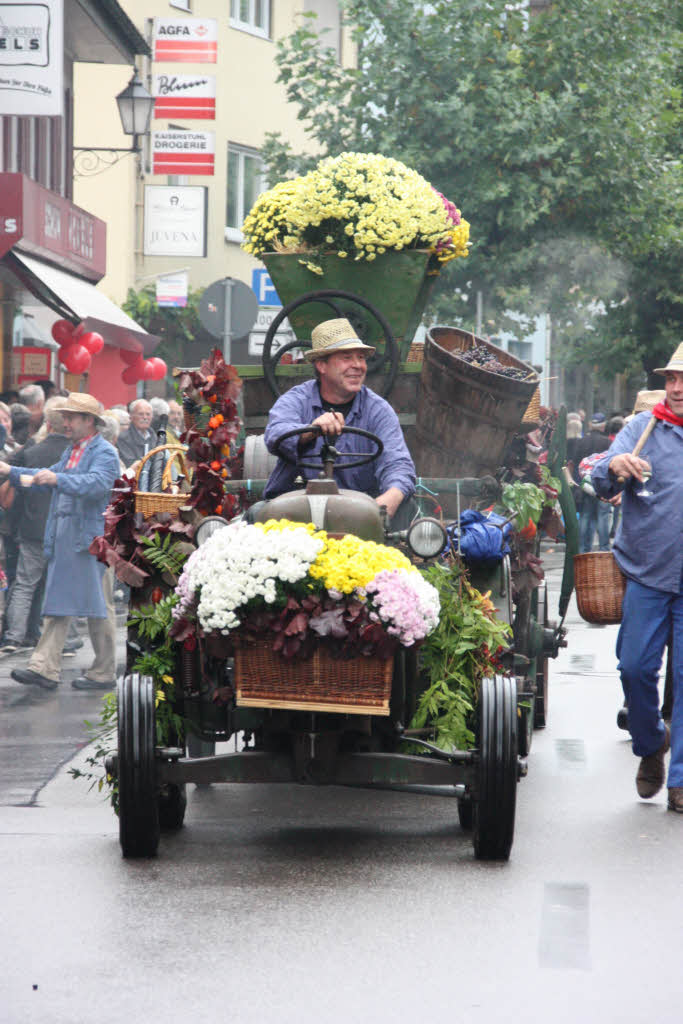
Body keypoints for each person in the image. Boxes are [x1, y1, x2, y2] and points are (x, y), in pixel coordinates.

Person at [592, 344, 683, 812]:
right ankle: (651, 746)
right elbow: (601, 481)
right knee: (635, 669)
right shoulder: (641, 429)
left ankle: (680, 782)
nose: (677, 387)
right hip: (647, 575)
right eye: (671, 379)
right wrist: (612, 466)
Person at [0, 393, 120, 692]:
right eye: (65, 417)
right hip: (69, 536)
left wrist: (57, 481)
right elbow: (47, 477)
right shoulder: (74, 451)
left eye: (71, 417)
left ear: (88, 421)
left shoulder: (103, 451)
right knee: (58, 603)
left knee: (99, 607)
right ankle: (44, 667)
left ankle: (102, 671)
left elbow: (98, 484)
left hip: (91, 539)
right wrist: (10, 471)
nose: (64, 423)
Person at [263, 318, 415, 521]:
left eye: (361, 358)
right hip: (293, 517)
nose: (358, 365)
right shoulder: (296, 400)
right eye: (346, 357)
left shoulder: (379, 411)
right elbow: (275, 433)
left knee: (408, 513)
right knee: (255, 514)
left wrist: (381, 508)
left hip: (358, 517)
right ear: (321, 365)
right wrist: (311, 430)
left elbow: (397, 465)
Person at [0, 399, 70, 653]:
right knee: (60, 584)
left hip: (32, 526)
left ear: (48, 423)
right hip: (63, 528)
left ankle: (13, 637)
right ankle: (61, 639)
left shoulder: (32, 452)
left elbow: (9, 473)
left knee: (25, 584)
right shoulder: (75, 454)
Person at [575, 412, 611, 553]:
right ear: (603, 426)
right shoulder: (607, 442)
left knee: (585, 516)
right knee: (603, 517)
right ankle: (604, 549)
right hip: (603, 484)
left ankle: (582, 549)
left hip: (585, 484)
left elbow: (575, 462)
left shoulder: (582, 441)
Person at [117, 398, 155, 470]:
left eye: (148, 414)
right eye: (141, 414)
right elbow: (130, 464)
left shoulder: (155, 437)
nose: (145, 417)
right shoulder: (123, 438)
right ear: (131, 416)